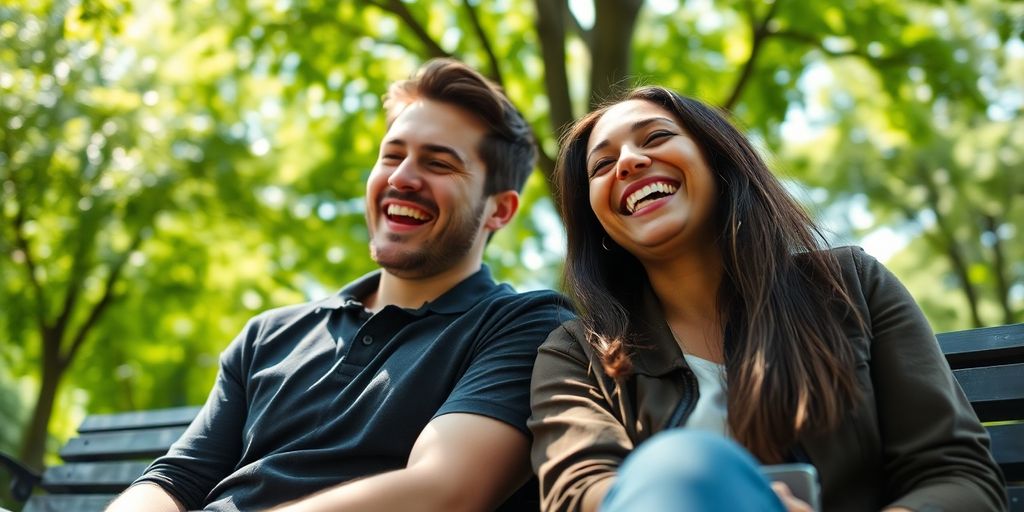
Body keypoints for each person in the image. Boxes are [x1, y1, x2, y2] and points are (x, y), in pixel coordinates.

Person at [106, 59, 571, 512]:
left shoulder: (527, 326)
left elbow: (443, 491)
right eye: (392, 155)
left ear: (500, 210)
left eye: (439, 164)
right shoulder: (267, 336)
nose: (402, 177)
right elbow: (175, 479)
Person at [528, 87, 1006, 512]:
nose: (629, 162)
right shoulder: (575, 355)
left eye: (654, 137)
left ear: (719, 160)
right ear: (596, 219)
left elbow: (958, 475)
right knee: (679, 463)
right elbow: (581, 491)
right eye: (602, 165)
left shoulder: (850, 285)